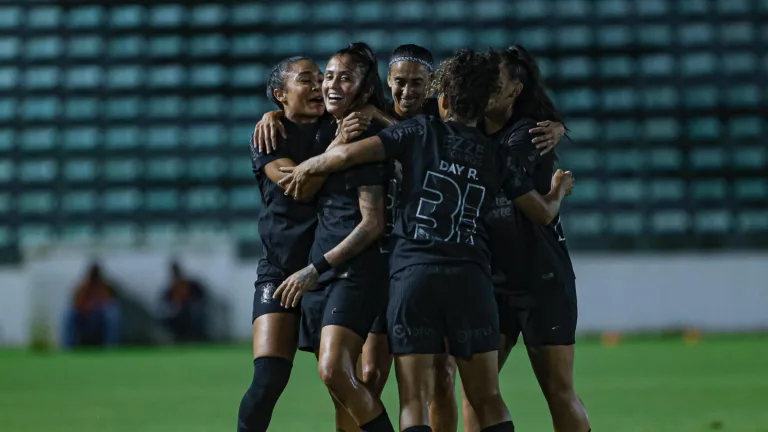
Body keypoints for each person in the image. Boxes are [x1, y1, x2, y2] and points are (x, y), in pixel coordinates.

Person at [277, 49, 575, 432]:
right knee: (486, 397)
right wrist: (559, 189)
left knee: (413, 400)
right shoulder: (494, 153)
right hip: (472, 279)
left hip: (413, 274)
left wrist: (303, 167)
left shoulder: (419, 131)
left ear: (443, 99)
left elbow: (345, 157)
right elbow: (543, 213)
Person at [461, 45, 590, 432]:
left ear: (516, 88)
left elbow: (500, 171)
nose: (483, 87)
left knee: (558, 390)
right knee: (476, 391)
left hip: (540, 278)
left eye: (494, 81)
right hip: (489, 279)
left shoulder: (530, 133)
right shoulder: (471, 126)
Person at [273, 42, 396, 432]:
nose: (331, 84)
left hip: (351, 268)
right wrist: (272, 113)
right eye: (328, 76)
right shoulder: (330, 128)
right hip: (324, 270)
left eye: (345, 77)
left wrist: (316, 267)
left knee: (335, 371)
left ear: (364, 87)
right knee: (343, 391)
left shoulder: (367, 135)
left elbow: (371, 222)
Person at [237, 55, 329, 432]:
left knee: (346, 380)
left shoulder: (339, 124)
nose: (318, 86)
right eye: (305, 80)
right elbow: (298, 184)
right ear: (280, 95)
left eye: (321, 78)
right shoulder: (268, 135)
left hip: (331, 267)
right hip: (279, 268)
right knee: (268, 379)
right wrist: (341, 150)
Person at [62, 262, 121, 349]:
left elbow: (110, 301)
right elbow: (76, 303)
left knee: (113, 313)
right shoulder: (83, 287)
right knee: (69, 314)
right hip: (85, 318)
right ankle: (68, 347)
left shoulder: (105, 287)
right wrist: (86, 308)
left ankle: (111, 347)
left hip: (100, 318)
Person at [160, 261, 208, 343]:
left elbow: (200, 296)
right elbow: (166, 301)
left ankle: (194, 338)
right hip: (176, 312)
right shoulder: (172, 287)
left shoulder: (190, 285)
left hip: (190, 311)